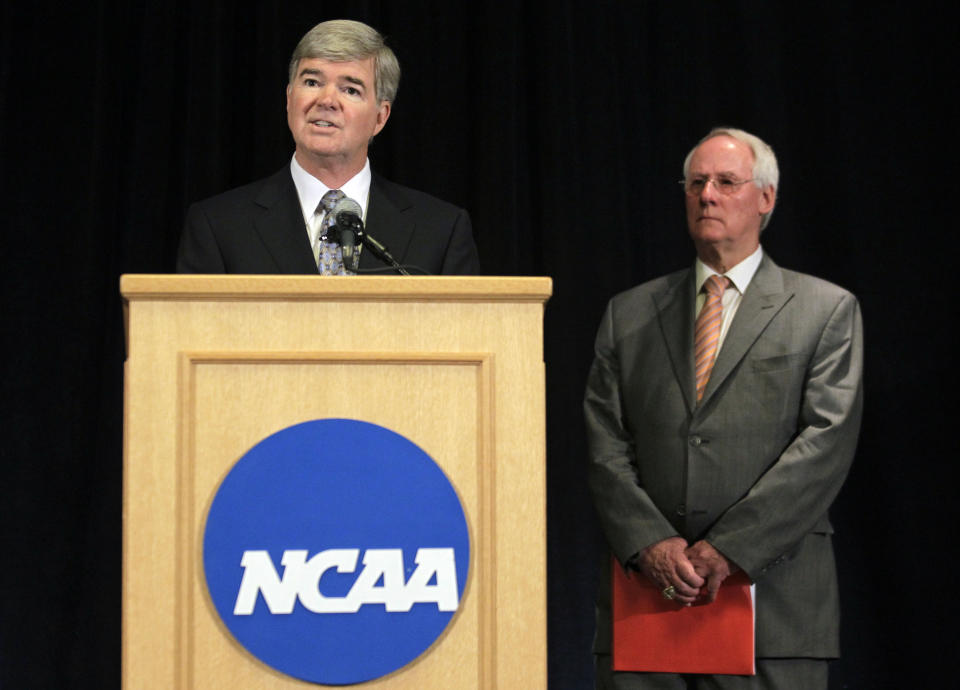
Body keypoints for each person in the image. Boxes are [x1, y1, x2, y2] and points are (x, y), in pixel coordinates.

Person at [584, 127, 863, 689]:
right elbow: (603, 442)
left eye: (726, 182)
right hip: (650, 600)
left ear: (766, 198)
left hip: (774, 607)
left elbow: (823, 445)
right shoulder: (629, 313)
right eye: (696, 183)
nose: (707, 195)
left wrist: (728, 549)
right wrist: (651, 544)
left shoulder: (825, 310)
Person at [177, 19, 480, 275]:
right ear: (288, 99)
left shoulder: (441, 231)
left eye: (350, 89)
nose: (326, 100)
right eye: (311, 82)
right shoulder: (218, 226)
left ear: (380, 116)